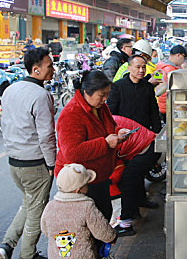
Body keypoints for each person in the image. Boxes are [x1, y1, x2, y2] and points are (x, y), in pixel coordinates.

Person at [0, 48, 57, 259]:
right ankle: (28, 254)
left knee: (29, 203)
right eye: (49, 66)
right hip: (35, 163)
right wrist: (51, 164)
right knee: (36, 210)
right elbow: (46, 135)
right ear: (36, 69)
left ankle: (6, 245)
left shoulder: (11, 90)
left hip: (14, 162)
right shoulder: (41, 95)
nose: (53, 70)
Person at [55, 70, 132, 221]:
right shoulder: (71, 114)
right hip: (80, 182)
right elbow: (72, 152)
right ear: (87, 92)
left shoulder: (100, 107)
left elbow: (110, 127)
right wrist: (105, 143)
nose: (105, 99)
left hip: (99, 175)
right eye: (102, 95)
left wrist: (118, 132)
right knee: (89, 223)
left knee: (104, 214)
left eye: (107, 94)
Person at [107, 55, 162, 236]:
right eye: (137, 67)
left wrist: (156, 132)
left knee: (133, 175)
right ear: (129, 68)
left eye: (143, 67)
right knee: (130, 175)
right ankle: (134, 209)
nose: (141, 70)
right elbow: (111, 114)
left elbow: (153, 111)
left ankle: (133, 211)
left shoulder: (147, 87)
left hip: (145, 138)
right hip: (126, 140)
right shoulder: (118, 87)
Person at [40, 164, 117, 259]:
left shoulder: (50, 206)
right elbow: (101, 230)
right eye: (86, 184)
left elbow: (45, 229)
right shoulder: (86, 207)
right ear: (78, 190)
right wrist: (111, 237)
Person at [155, 45, 187, 121]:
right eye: (183, 58)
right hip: (169, 106)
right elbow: (179, 89)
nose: (183, 61)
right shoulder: (170, 70)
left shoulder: (161, 65)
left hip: (162, 105)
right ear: (179, 55)